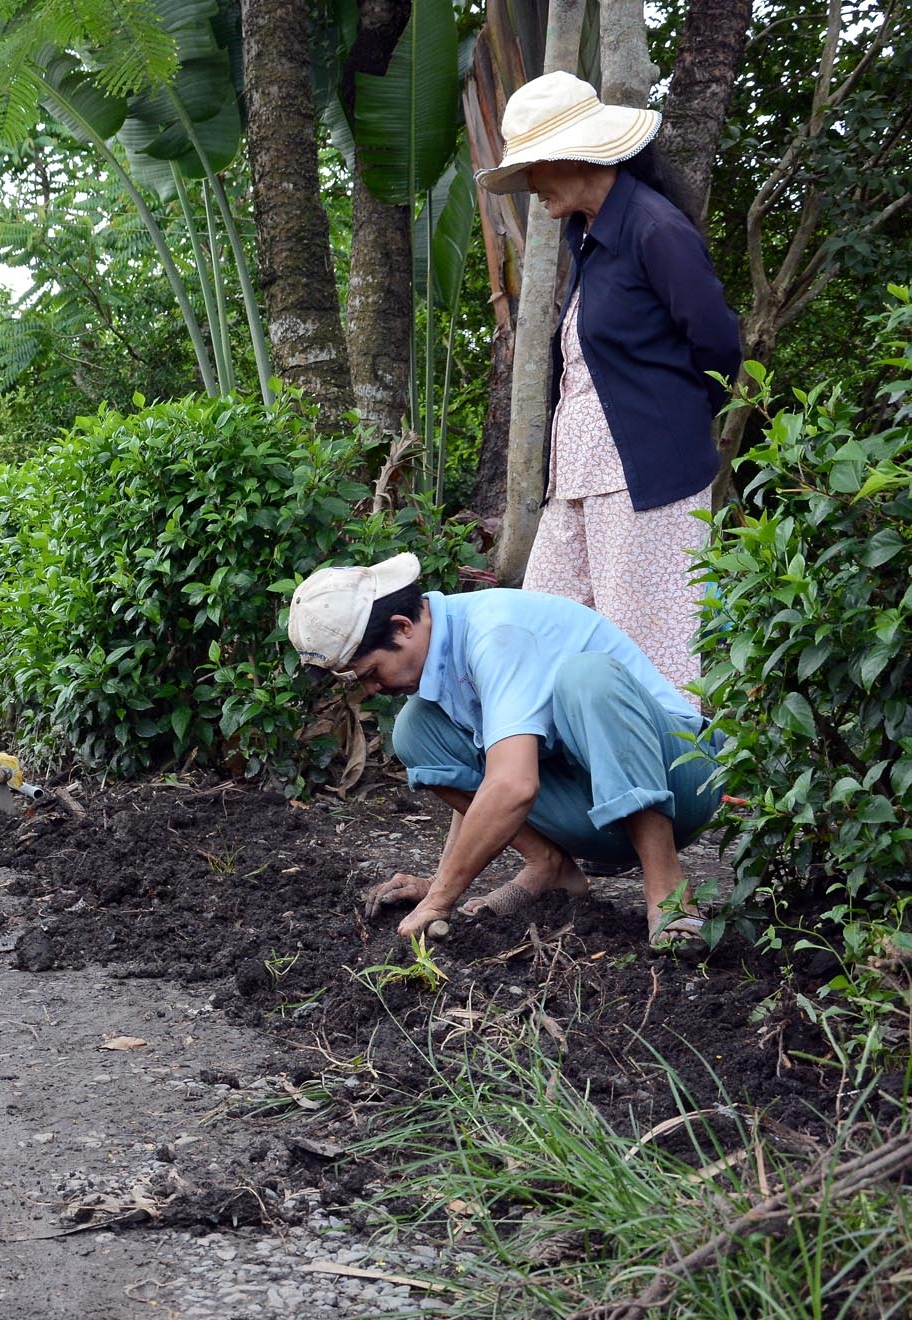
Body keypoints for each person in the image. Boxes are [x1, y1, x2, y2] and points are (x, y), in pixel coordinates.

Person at [287, 552, 721, 949]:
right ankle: (548, 866)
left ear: (402, 626)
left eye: (371, 672)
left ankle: (668, 891)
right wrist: (438, 881)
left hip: (681, 778)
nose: (373, 688)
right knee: (416, 728)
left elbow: (512, 786)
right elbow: (488, 774)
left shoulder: (495, 633)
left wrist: (442, 899)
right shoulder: (443, 658)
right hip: (596, 808)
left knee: (588, 677)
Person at [477, 72, 742, 698]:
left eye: (535, 168)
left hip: (645, 474)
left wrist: (674, 424)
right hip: (577, 474)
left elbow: (717, 342)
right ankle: (562, 779)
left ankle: (671, 792)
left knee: (650, 647)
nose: (532, 185)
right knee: (544, 629)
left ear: (574, 157)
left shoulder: (655, 228)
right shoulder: (588, 232)